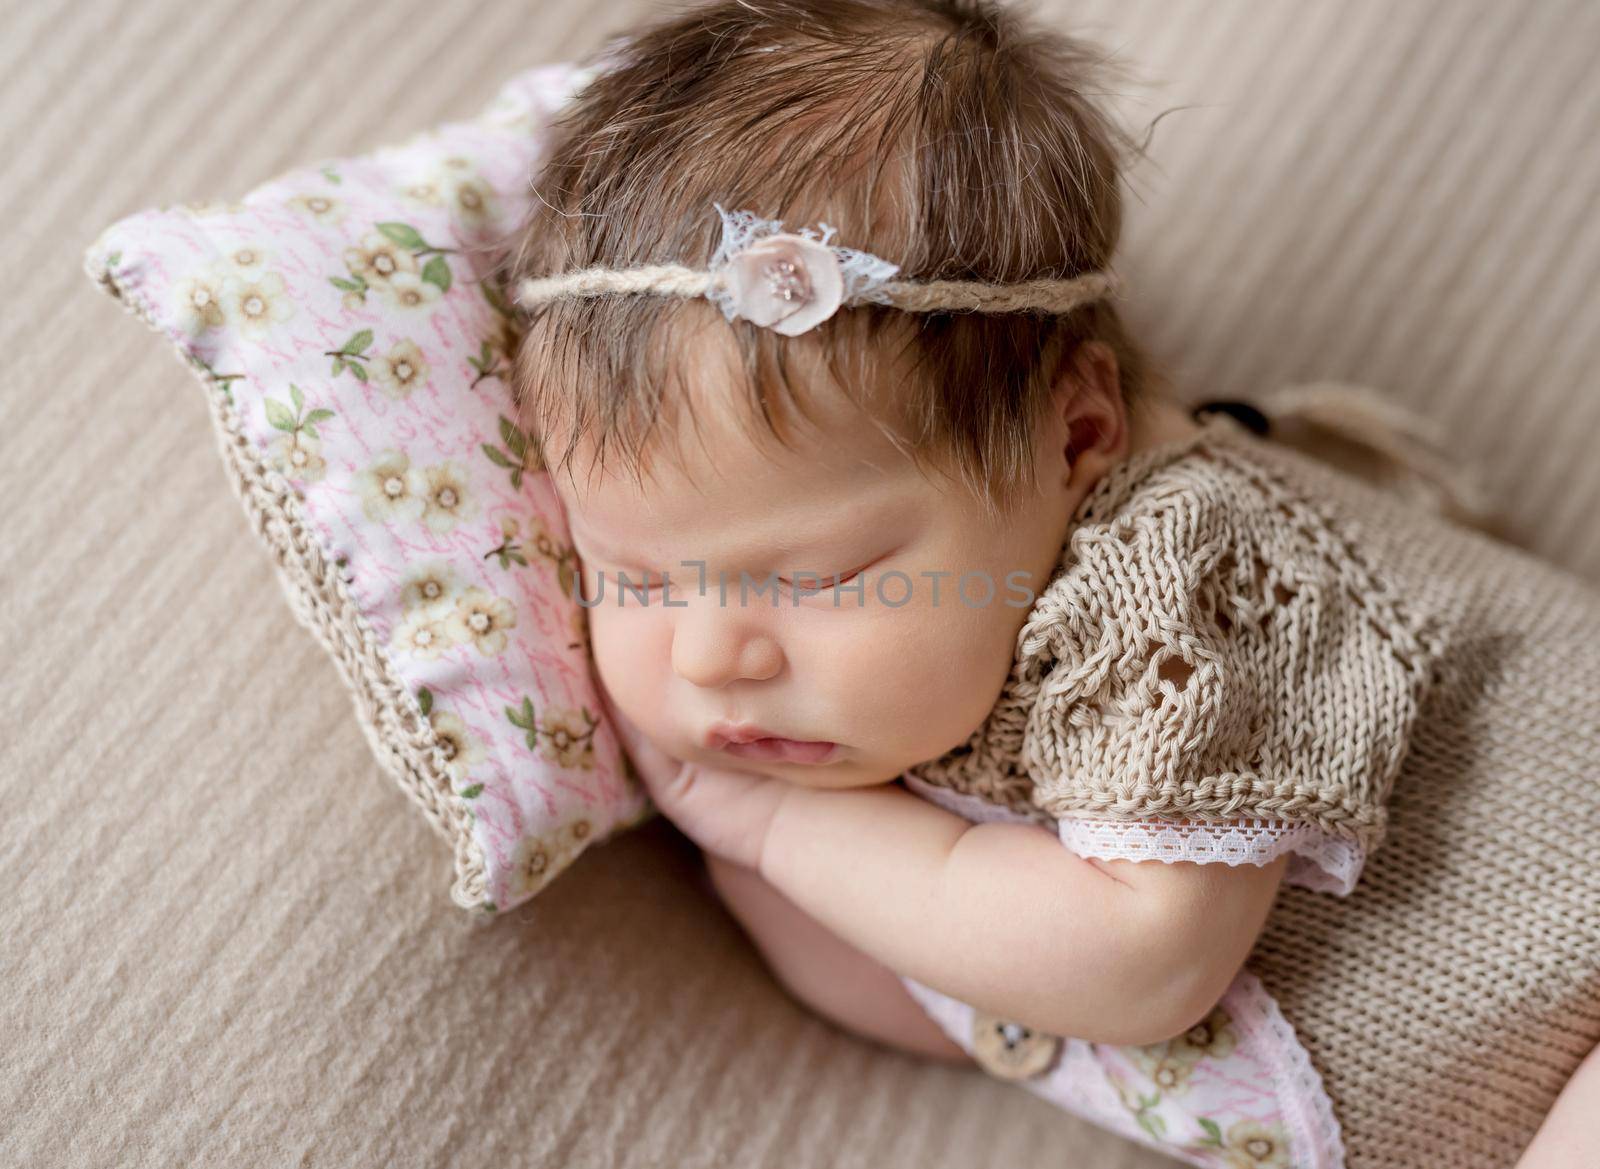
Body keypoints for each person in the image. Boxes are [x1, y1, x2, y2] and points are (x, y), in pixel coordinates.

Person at [501, 2, 1600, 1165]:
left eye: (820, 575)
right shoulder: (912, 682)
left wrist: (775, 831)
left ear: (1076, 432)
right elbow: (972, 1010)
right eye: (635, 577)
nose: (710, 654)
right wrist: (751, 852)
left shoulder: (1184, 579)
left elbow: (1140, 963)